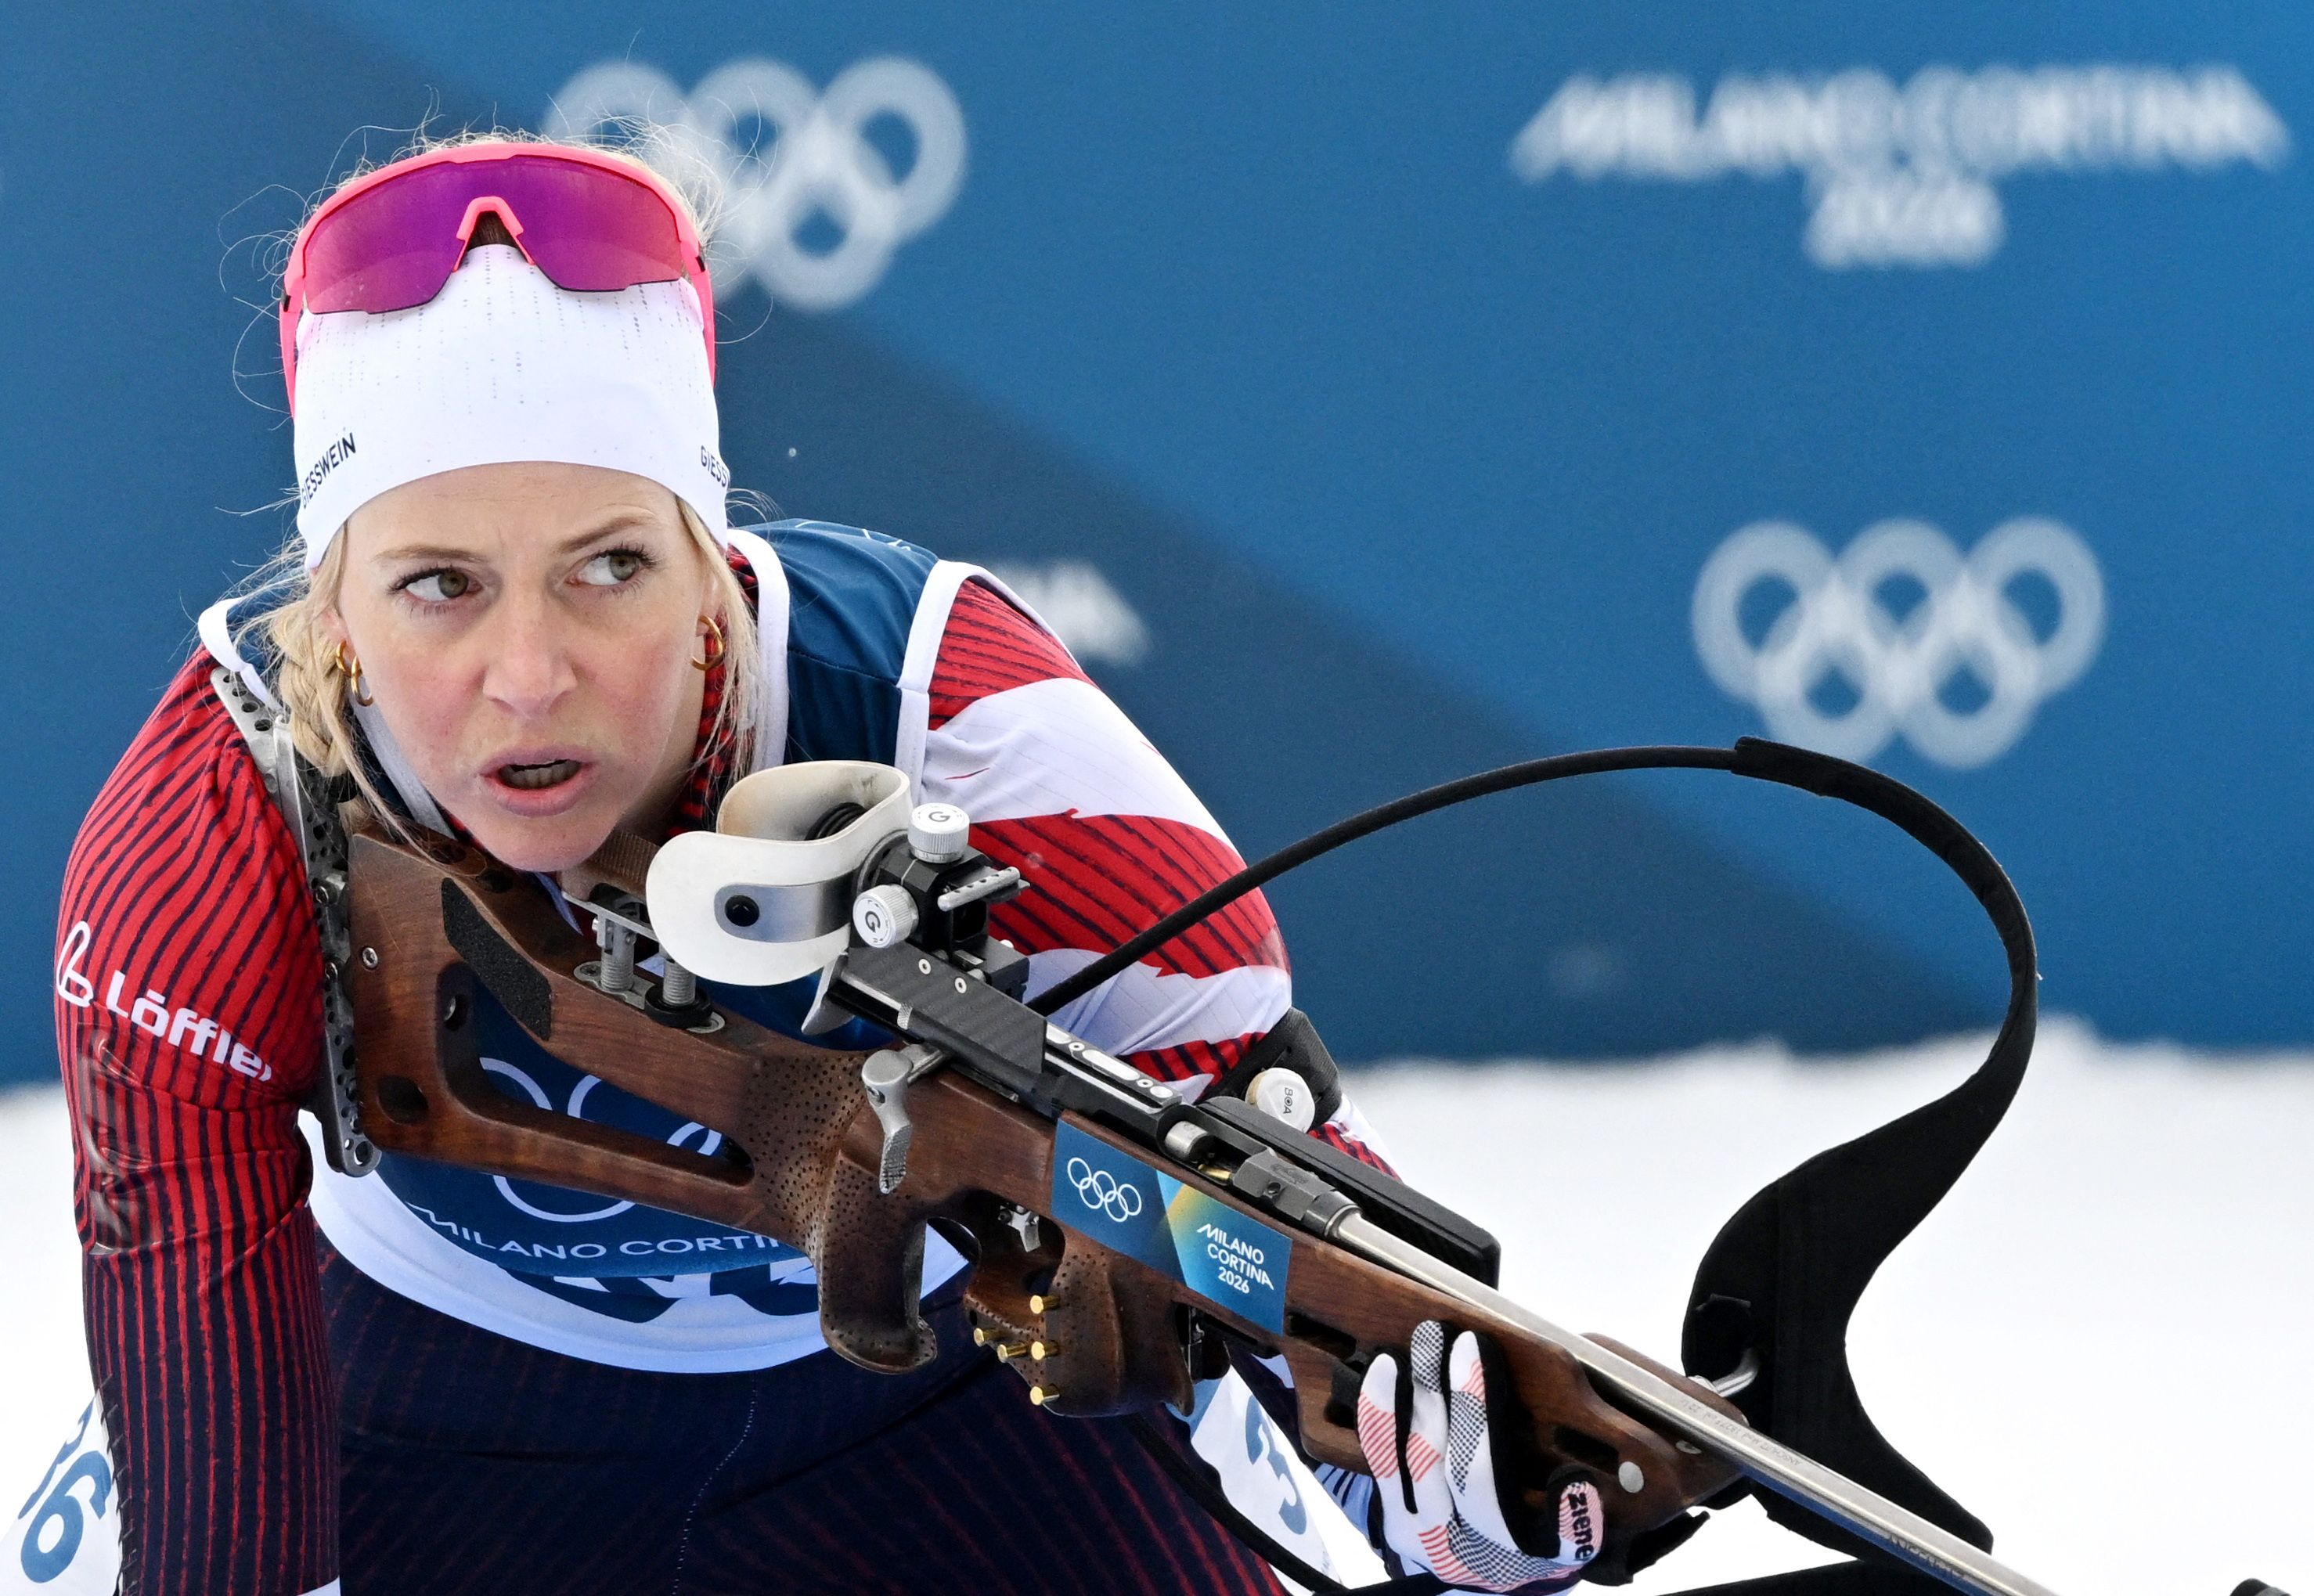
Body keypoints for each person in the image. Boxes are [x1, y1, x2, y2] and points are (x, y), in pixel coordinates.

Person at [41, 131, 1608, 1595]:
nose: (529, 675)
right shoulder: (210, 841)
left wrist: (1444, 1483)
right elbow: (219, 1518)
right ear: (332, 613)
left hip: (940, 1406)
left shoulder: (981, 739)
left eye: (609, 567)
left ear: (711, 560)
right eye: (438, 585)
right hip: (432, 1393)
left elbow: (1263, 1229)